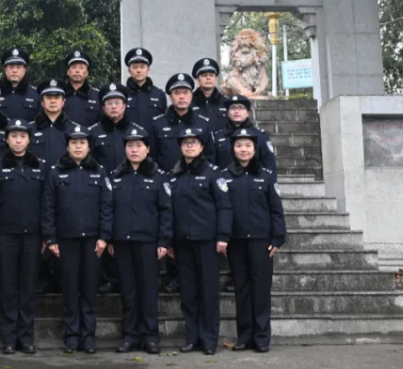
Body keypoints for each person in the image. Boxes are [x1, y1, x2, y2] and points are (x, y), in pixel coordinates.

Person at [42, 125, 113, 355]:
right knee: (70, 290)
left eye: (82, 143)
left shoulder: (99, 172)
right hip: (66, 240)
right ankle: (72, 336)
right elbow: (48, 207)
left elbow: (106, 207)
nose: (78, 146)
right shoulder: (55, 173)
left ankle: (88, 337)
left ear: (89, 146)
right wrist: (51, 238)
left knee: (89, 290)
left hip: (93, 241)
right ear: (67, 146)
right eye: (74, 143)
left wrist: (104, 237)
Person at [0, 119, 46, 355]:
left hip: (33, 236)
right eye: (14, 136)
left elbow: (47, 203)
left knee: (28, 288)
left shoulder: (40, 166)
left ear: (29, 140)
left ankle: (26, 338)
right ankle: (9, 338)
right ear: (6, 139)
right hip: (5, 236)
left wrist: (46, 235)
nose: (18, 141)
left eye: (22, 136)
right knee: (8, 288)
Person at [168, 127, 232, 356]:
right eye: (185, 142)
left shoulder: (213, 173)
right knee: (189, 293)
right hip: (182, 243)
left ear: (202, 146)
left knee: (208, 293)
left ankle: (208, 340)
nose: (189, 146)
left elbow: (224, 206)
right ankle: (191, 338)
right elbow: (168, 211)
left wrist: (223, 236)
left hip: (207, 242)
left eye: (194, 142)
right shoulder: (174, 175)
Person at [109, 128, 173, 355]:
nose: (134, 150)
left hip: (148, 243)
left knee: (148, 292)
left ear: (147, 149)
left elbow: (166, 211)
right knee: (128, 292)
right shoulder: (116, 175)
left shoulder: (158, 176)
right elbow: (109, 209)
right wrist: (109, 238)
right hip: (123, 243)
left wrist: (164, 241)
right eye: (130, 146)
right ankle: (130, 336)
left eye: (138, 146)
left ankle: (150, 337)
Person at [222, 127, 286, 354]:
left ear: (255, 148)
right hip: (236, 241)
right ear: (233, 149)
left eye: (247, 145)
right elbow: (223, 209)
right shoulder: (226, 176)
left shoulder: (266, 176)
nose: (243, 149)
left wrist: (277, 238)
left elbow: (276, 210)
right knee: (242, 288)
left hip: (261, 241)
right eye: (239, 145)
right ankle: (244, 336)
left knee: (261, 289)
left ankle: (261, 337)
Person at [89, 82, 146, 294]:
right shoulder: (93, 133)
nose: (113, 107)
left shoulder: (138, 132)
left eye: (117, 102)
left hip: (131, 193)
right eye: (109, 103)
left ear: (125, 105)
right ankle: (106, 278)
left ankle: (125, 280)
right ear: (103, 107)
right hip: (101, 193)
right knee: (103, 236)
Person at [150, 73, 215, 173]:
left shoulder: (203, 124)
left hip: (196, 182)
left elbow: (210, 156)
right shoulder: (158, 124)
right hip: (166, 181)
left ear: (191, 96)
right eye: (177, 93)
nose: (181, 97)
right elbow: (151, 157)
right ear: (170, 97)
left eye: (185, 92)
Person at [213, 95, 277, 173]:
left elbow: (269, 165)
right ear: (228, 113)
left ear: (248, 112)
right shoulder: (218, 136)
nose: (236, 111)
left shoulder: (260, 136)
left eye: (241, 107)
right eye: (233, 108)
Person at [29, 78, 78, 167]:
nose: (53, 101)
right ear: (42, 102)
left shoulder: (74, 130)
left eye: (57, 97)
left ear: (63, 102)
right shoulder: (29, 129)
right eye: (48, 97)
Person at [124, 48, 168, 129]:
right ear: (129, 71)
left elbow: (164, 122)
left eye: (142, 67)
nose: (139, 70)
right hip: (129, 141)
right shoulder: (122, 94)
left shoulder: (159, 94)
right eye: (135, 67)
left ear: (148, 70)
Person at [0, 48, 41, 121]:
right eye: (11, 67)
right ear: (5, 69)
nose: (15, 71)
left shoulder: (35, 95)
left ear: (24, 70)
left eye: (18, 67)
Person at [62, 49, 101, 126]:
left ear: (87, 73)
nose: (77, 71)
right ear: (68, 72)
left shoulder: (97, 96)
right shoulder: (59, 95)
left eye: (81, 68)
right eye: (73, 67)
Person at [191, 58, 226, 132]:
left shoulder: (225, 102)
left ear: (215, 78)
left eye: (211, 75)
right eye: (204, 75)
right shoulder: (189, 101)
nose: (208, 78)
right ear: (198, 79)